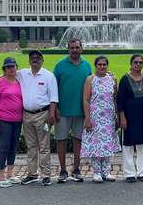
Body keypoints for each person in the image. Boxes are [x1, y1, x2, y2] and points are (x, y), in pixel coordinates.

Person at [53, 38, 92, 183]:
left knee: (78, 141)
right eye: (72, 48)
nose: (74, 50)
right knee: (61, 141)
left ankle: (76, 168)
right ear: (68, 49)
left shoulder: (86, 66)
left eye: (77, 47)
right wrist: (55, 107)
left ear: (81, 48)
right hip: (62, 111)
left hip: (81, 111)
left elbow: (92, 85)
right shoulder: (60, 65)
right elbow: (53, 88)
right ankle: (63, 170)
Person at [17, 50, 58, 186]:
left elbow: (53, 98)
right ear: (29, 61)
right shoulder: (23, 74)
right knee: (31, 146)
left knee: (44, 146)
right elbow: (8, 75)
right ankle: (32, 174)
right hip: (27, 114)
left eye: (38, 58)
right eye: (32, 58)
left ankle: (46, 175)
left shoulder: (48, 76)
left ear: (42, 60)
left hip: (43, 115)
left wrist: (51, 115)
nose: (35, 60)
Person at [81, 55, 121, 183]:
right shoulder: (90, 79)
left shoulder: (112, 79)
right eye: (99, 64)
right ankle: (96, 171)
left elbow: (115, 98)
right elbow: (86, 100)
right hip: (95, 117)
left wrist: (118, 116)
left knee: (108, 143)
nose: (102, 67)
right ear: (95, 66)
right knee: (96, 144)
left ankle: (106, 171)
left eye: (104, 64)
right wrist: (88, 118)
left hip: (109, 117)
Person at [0, 57, 22, 188]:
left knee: (13, 147)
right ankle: (0, 175)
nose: (11, 69)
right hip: (3, 120)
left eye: (13, 66)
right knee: (3, 147)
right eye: (8, 67)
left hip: (17, 120)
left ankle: (10, 173)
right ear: (4, 69)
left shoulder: (19, 80)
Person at [117, 54, 143, 183]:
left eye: (140, 62)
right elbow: (120, 100)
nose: (138, 64)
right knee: (128, 145)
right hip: (129, 116)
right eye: (135, 62)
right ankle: (129, 173)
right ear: (131, 64)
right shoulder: (125, 79)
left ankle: (142, 172)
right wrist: (122, 117)